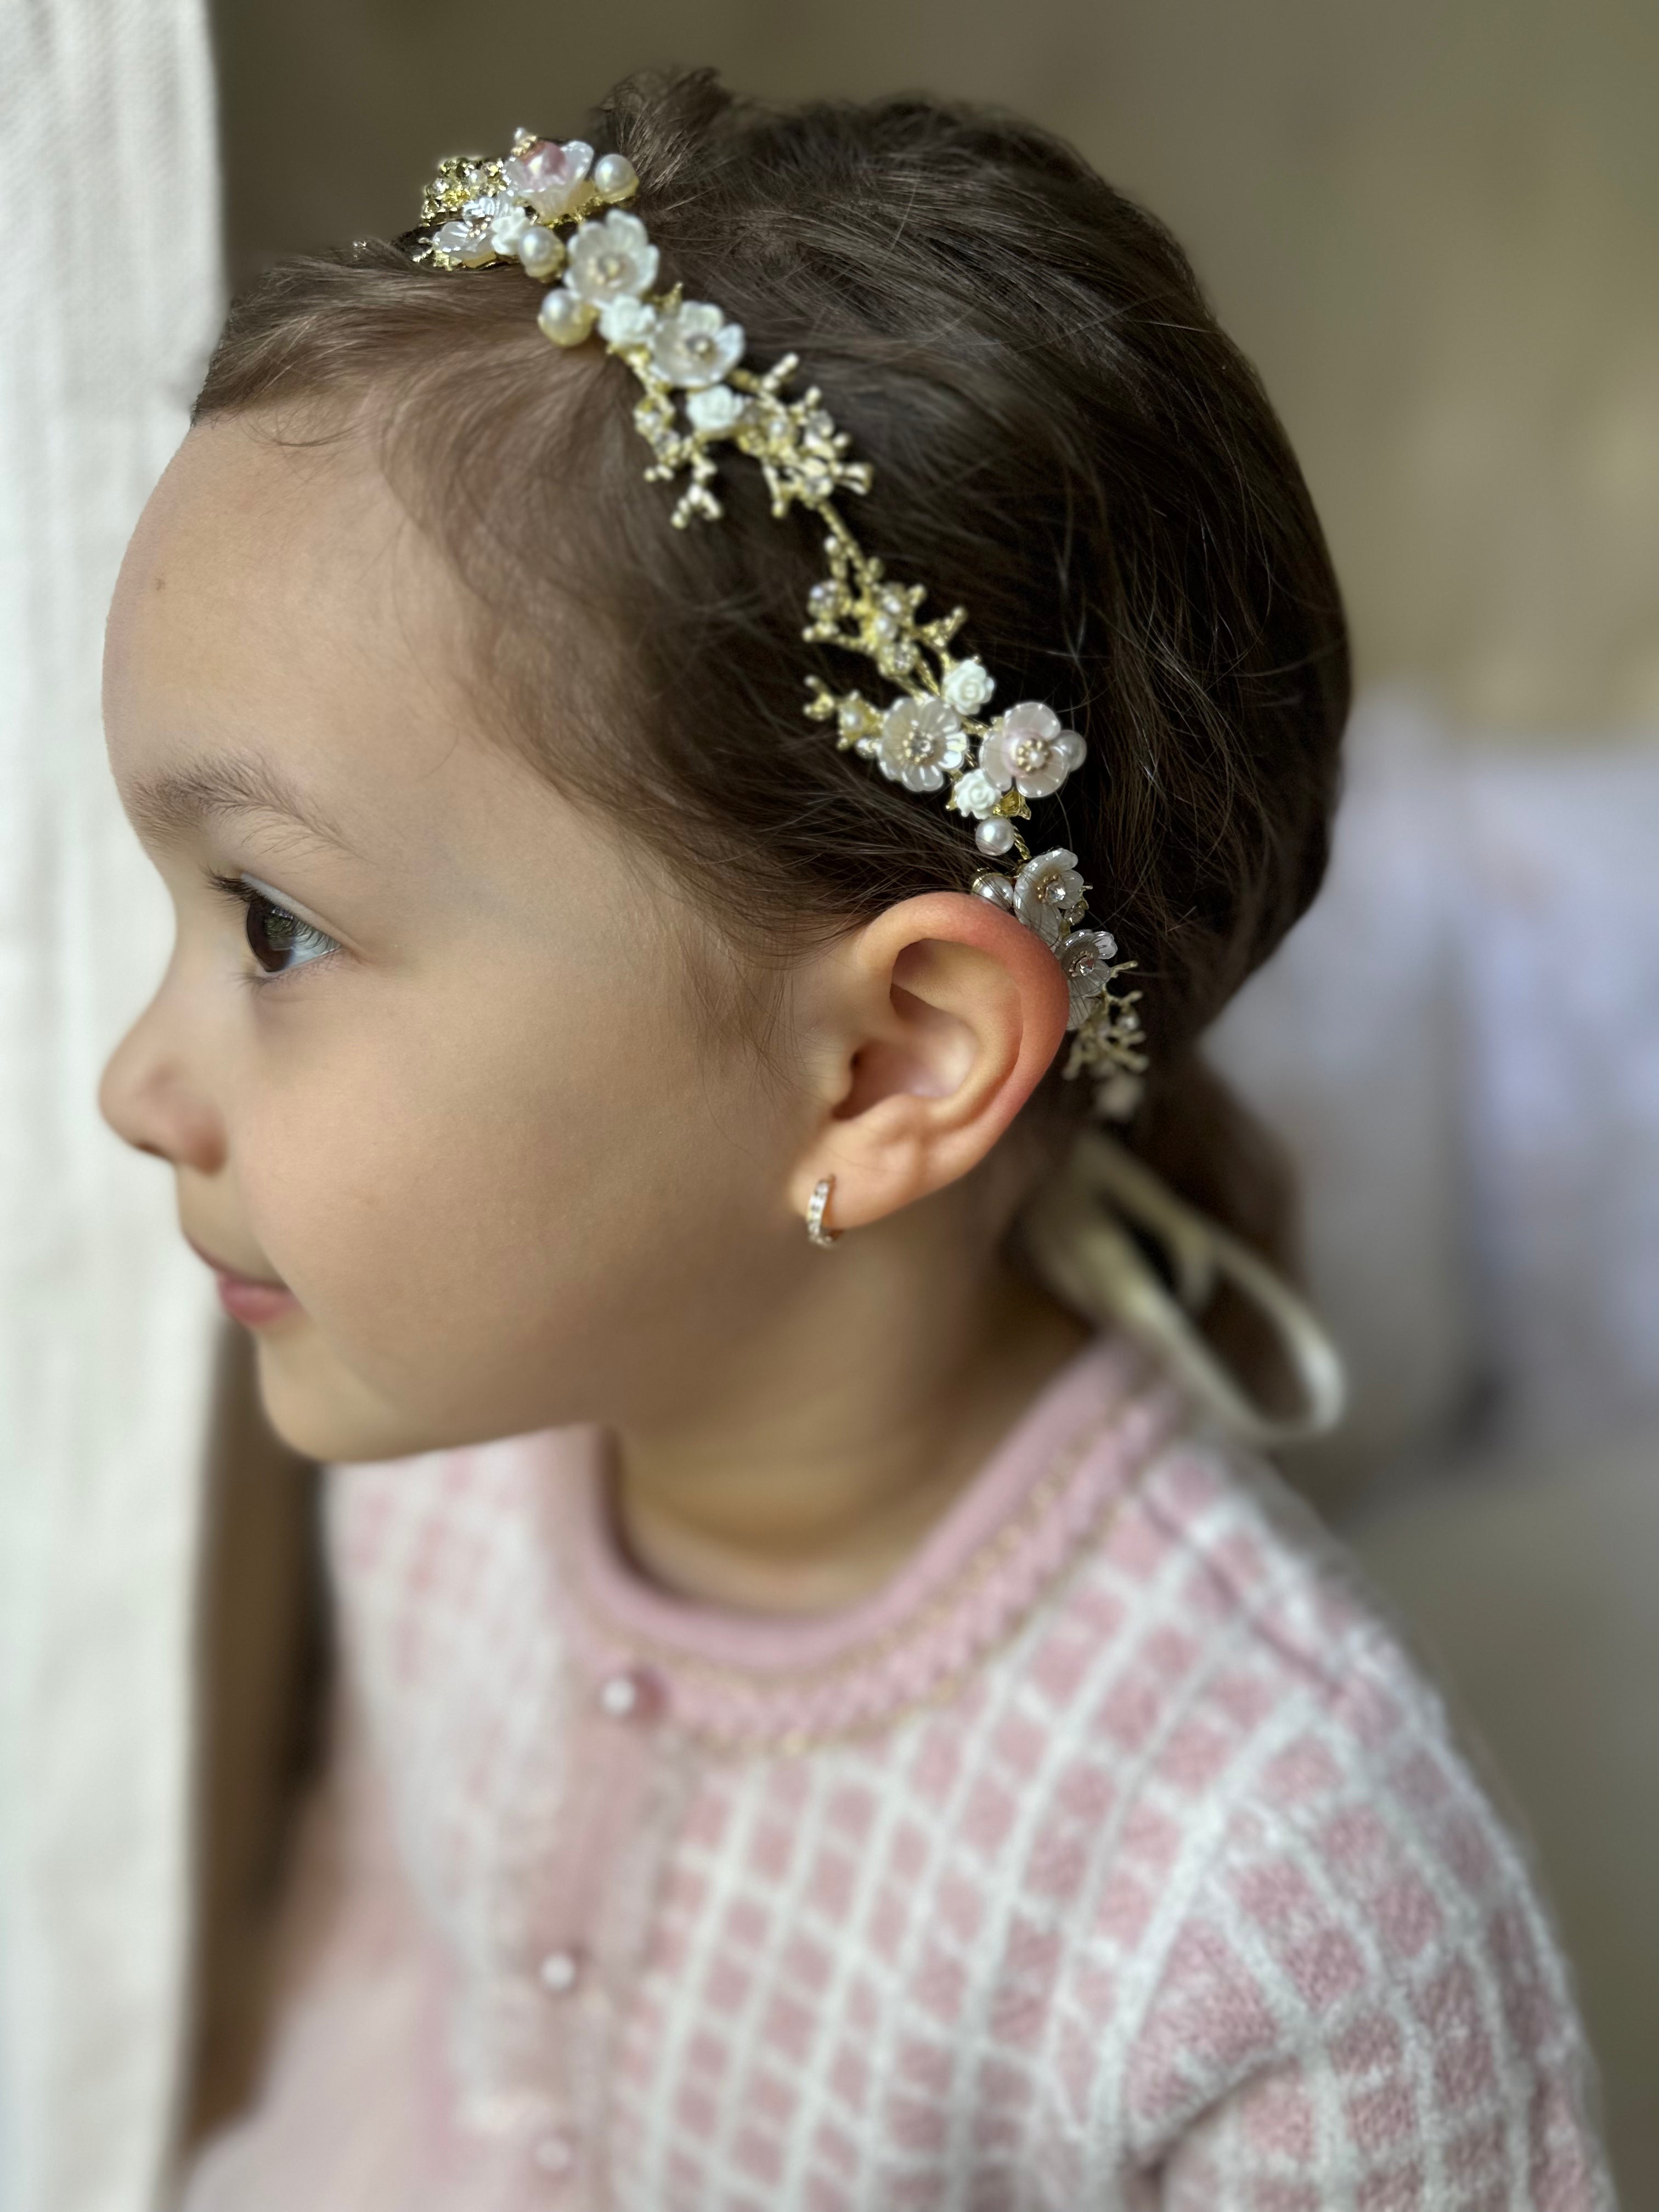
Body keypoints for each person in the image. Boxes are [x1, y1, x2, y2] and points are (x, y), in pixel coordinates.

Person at [97, 66, 1612, 2210]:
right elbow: (376, 1985)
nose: (129, 1086)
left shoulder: (1276, 1920)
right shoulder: (454, 1461)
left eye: (276, 923)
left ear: (889, 1065)